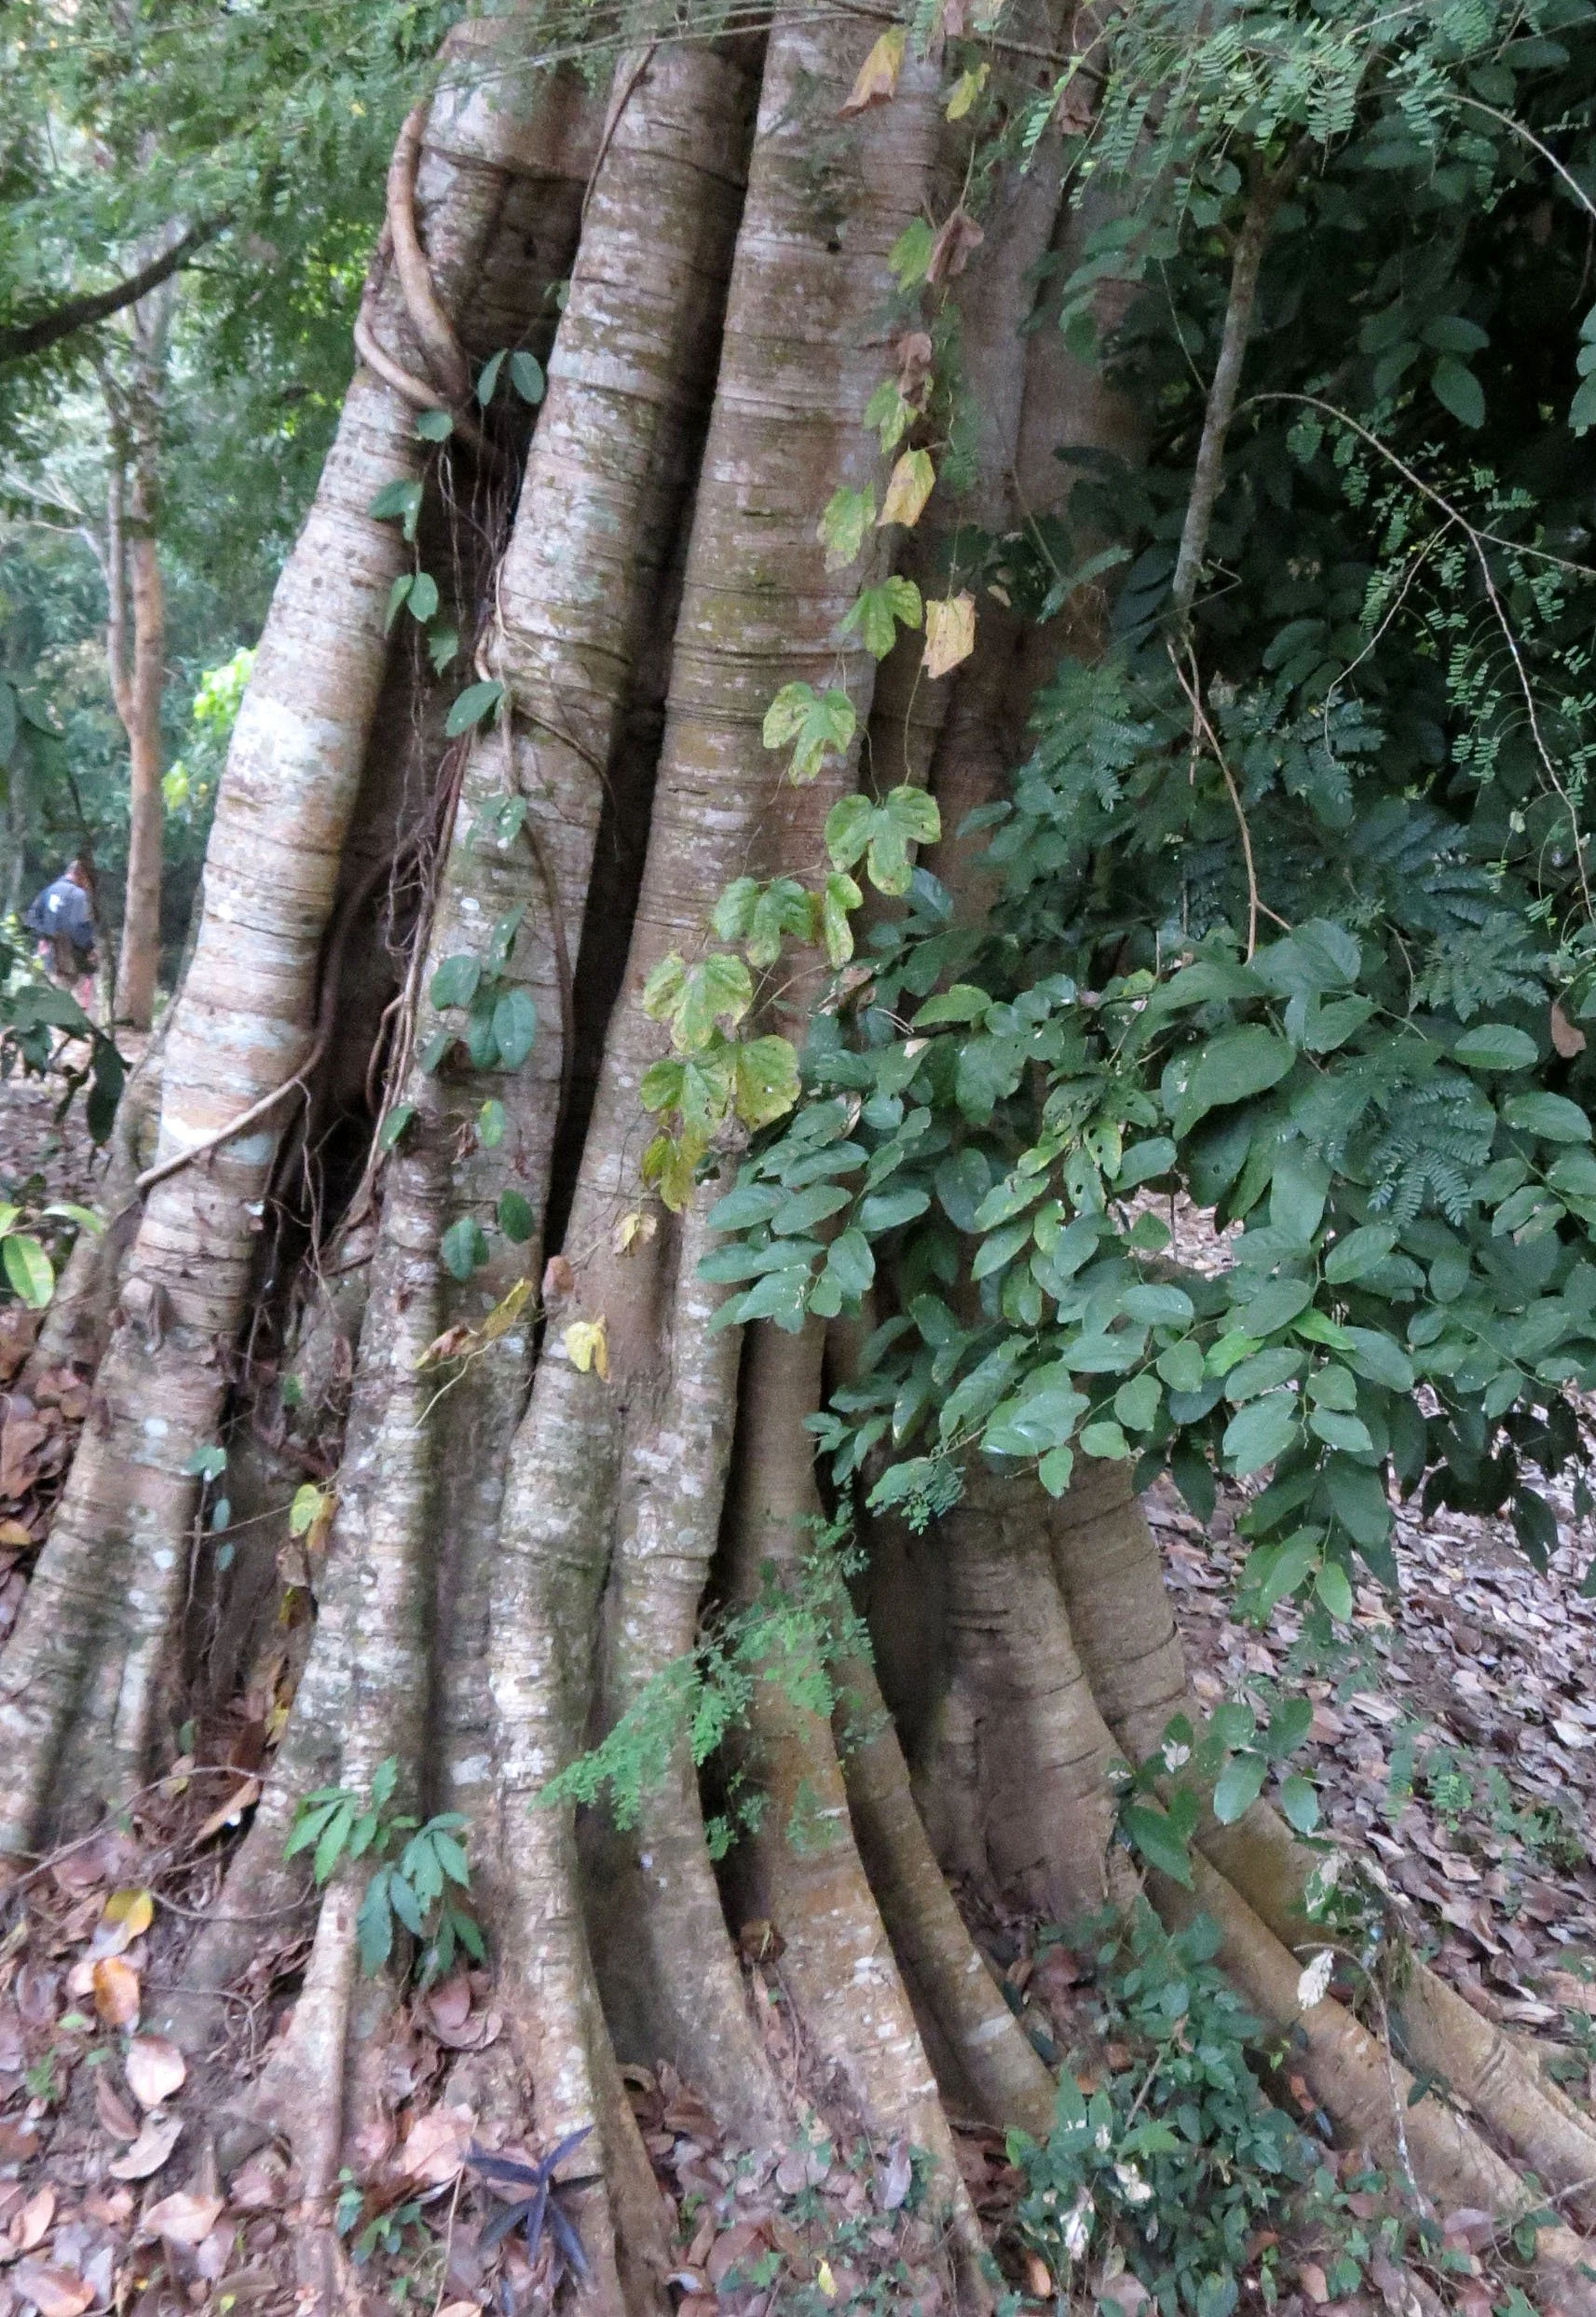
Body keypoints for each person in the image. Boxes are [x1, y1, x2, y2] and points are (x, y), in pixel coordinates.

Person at [23, 860, 98, 1010]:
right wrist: (91, 949)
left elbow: (32, 918)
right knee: (77, 1001)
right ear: (82, 876)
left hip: (50, 956)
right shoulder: (79, 896)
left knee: (52, 995)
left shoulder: (49, 890)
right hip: (73, 959)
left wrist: (45, 936)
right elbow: (79, 928)